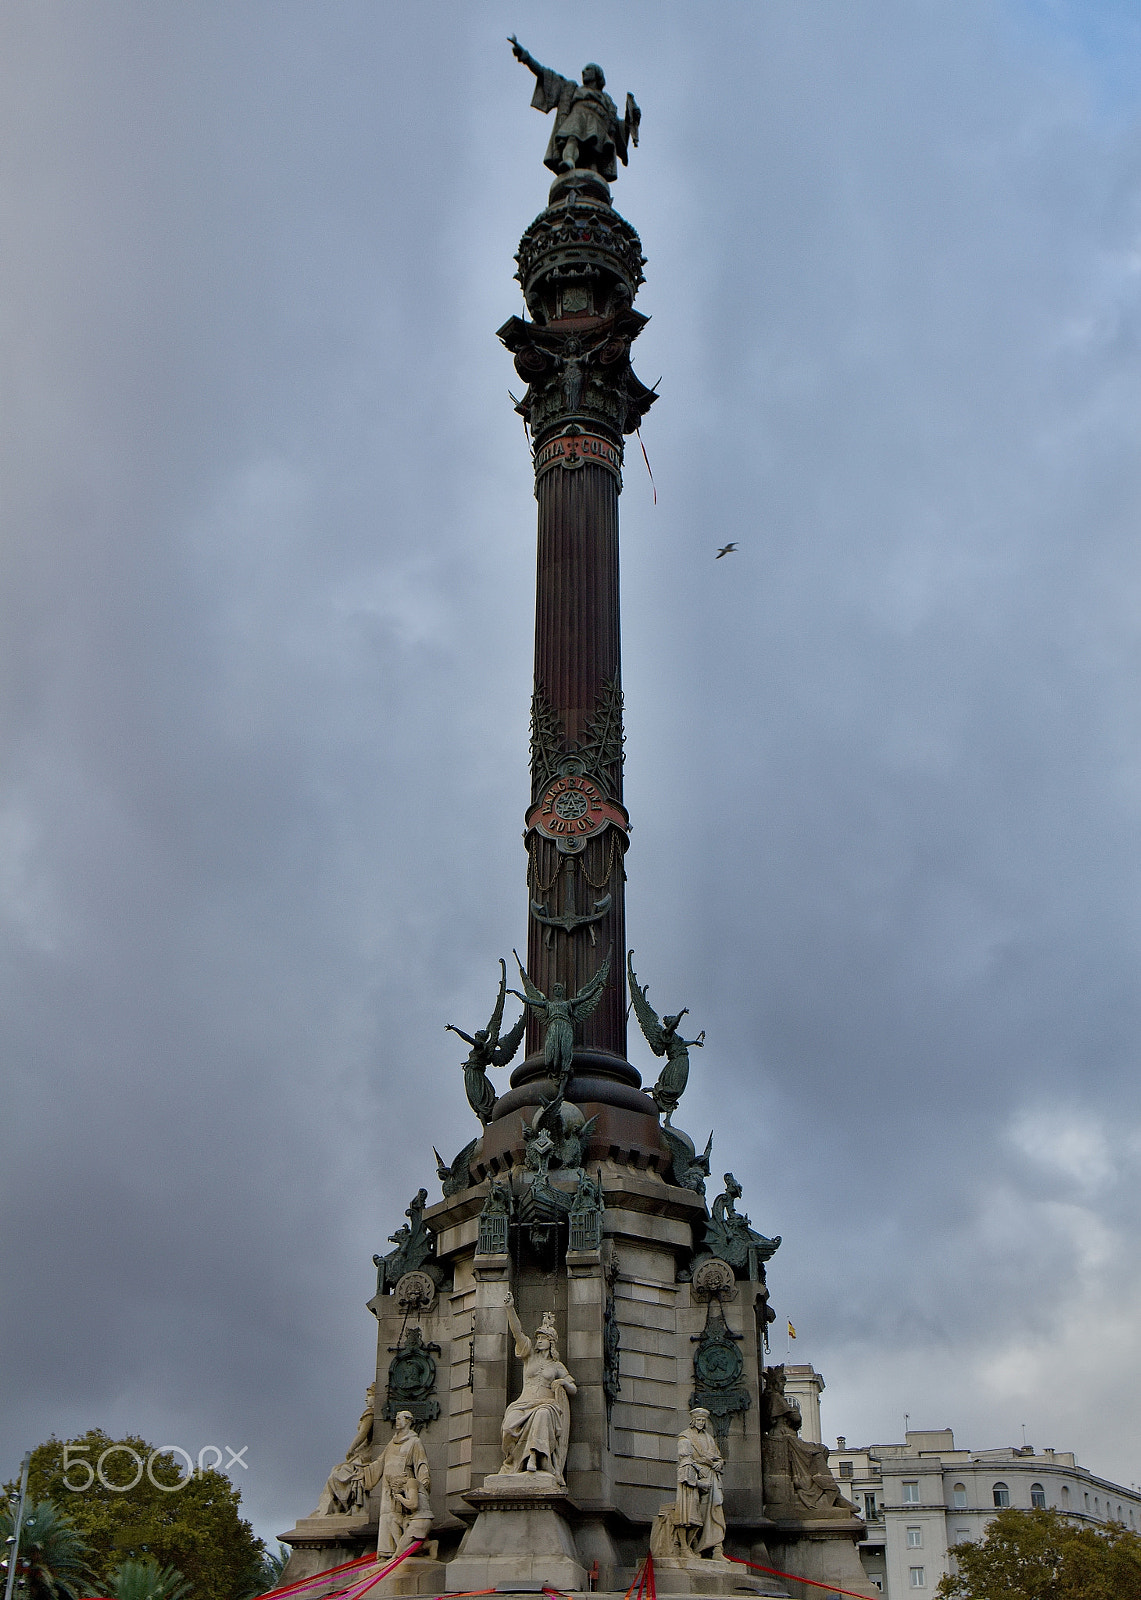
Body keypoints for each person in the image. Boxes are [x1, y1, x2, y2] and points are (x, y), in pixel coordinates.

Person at [509, 38, 639, 181]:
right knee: (572, 138)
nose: (583, 72)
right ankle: (569, 161)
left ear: (597, 74)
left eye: (588, 69)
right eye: (584, 70)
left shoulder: (607, 102)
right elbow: (546, 75)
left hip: (598, 123)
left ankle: (593, 174)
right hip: (578, 116)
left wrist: (632, 118)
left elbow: (619, 130)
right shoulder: (571, 88)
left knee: (594, 151)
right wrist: (526, 58)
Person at [498, 1292, 577, 1481]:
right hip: (523, 1403)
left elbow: (573, 1388)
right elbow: (518, 1333)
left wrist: (563, 1382)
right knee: (509, 1427)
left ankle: (533, 1458)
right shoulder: (529, 1357)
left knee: (542, 1415)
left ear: (551, 1342)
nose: (538, 1340)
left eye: (542, 1338)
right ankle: (513, 1462)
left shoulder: (556, 1366)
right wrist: (510, 1309)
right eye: (538, 1338)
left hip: (546, 1405)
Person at [375, 1411, 433, 1559]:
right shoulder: (391, 1442)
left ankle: (399, 1552)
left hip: (404, 1485)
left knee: (400, 1518)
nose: (397, 1422)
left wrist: (423, 1483)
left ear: (408, 1421)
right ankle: (386, 1551)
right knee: (388, 1517)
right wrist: (365, 1472)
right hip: (389, 1488)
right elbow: (380, 1462)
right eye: (396, 1419)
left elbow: (421, 1464)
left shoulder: (414, 1441)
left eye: (399, 1419)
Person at [313, 1384, 378, 1515]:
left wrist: (350, 1449)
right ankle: (330, 1508)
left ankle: (332, 1508)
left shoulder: (370, 1413)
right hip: (364, 1455)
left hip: (365, 1456)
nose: (366, 1399)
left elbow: (362, 1435)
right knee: (336, 1471)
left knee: (336, 1475)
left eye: (369, 1396)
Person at [675, 1408, 726, 1557]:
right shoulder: (685, 1437)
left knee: (716, 1509)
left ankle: (718, 1548)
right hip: (695, 1476)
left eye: (703, 1421)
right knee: (694, 1512)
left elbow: (718, 1456)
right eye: (698, 1420)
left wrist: (720, 1463)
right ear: (693, 1420)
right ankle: (692, 1546)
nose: (701, 1423)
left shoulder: (709, 1438)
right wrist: (698, 1468)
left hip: (712, 1476)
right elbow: (685, 1459)